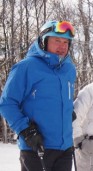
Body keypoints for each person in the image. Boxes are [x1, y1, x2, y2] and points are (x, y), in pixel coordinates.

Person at [0, 20, 76, 171]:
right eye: (57, 40)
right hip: (36, 146)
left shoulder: (69, 69)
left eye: (66, 42)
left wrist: (67, 112)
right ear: (44, 41)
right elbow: (7, 103)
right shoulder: (26, 67)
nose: (62, 46)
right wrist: (26, 131)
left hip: (65, 148)